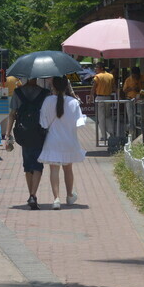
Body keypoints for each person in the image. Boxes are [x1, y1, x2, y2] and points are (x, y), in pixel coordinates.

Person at [38, 76, 87, 210]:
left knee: (54, 169)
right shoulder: (73, 102)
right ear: (66, 86)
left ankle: (56, 199)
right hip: (69, 140)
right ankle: (70, 195)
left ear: (53, 86)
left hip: (53, 140)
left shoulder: (47, 100)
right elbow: (79, 123)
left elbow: (43, 123)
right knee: (68, 168)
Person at [4, 77, 50, 210]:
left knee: (27, 164)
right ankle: (33, 195)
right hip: (39, 133)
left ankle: (31, 194)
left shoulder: (18, 92)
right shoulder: (45, 93)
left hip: (23, 133)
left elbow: (12, 114)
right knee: (38, 165)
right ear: (37, 77)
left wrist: (7, 134)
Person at [122, 66, 144, 134]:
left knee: (141, 116)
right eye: (134, 76)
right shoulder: (128, 80)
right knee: (131, 117)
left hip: (140, 99)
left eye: (137, 76)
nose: (136, 77)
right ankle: (132, 133)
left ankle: (141, 132)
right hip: (130, 99)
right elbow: (124, 90)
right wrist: (132, 89)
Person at [91, 62, 115, 143]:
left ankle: (104, 136)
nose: (95, 69)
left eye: (97, 67)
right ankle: (112, 133)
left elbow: (93, 88)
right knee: (108, 116)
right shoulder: (110, 76)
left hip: (100, 98)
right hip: (108, 98)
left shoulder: (97, 76)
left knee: (101, 118)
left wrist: (91, 96)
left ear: (101, 68)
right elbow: (113, 87)